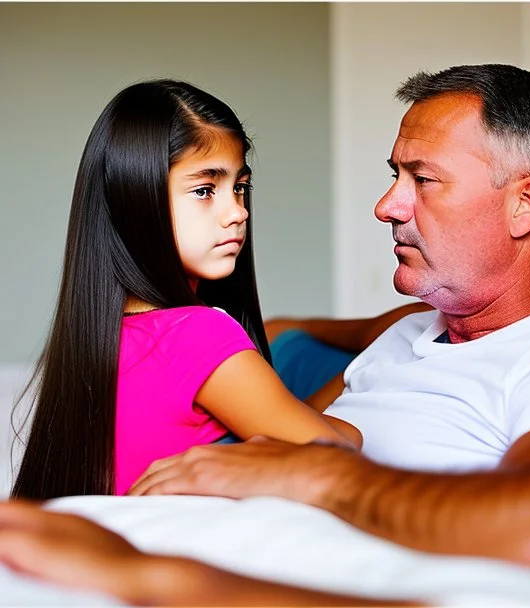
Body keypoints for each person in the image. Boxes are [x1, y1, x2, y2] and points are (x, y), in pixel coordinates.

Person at [0, 63, 530, 603]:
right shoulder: (411, 331)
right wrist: (287, 330)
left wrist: (318, 476)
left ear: (525, 204)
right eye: (392, 176)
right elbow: (330, 357)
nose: (387, 206)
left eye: (422, 180)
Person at [11, 80, 359, 501]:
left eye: (240, 187)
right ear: (135, 199)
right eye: (204, 190)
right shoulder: (196, 334)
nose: (237, 212)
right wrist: (367, 376)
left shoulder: (97, 340)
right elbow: (337, 453)